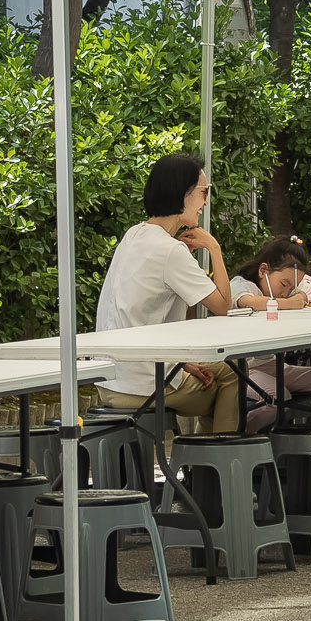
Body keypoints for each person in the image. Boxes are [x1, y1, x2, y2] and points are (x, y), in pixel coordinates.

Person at [93, 152, 238, 433]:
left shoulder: (133, 235)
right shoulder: (171, 251)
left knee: (214, 371)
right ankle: (213, 466)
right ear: (181, 194)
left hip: (110, 379)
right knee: (231, 375)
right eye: (203, 192)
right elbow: (222, 306)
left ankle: (202, 462)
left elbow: (141, 315)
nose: (205, 202)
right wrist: (214, 249)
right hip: (142, 385)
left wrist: (182, 362)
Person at [224, 236, 311, 432]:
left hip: (274, 365)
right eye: (283, 283)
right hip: (244, 369)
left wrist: (301, 294)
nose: (286, 292)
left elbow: (306, 289)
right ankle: (237, 434)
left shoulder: (287, 288)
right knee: (277, 398)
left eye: (291, 287)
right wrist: (290, 303)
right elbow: (247, 302)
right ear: (263, 270)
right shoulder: (241, 285)